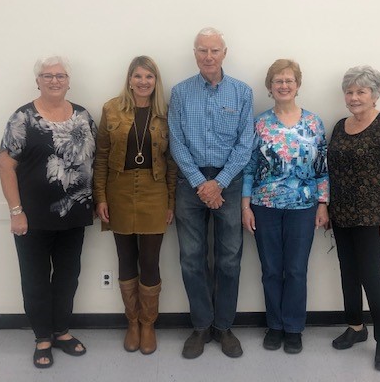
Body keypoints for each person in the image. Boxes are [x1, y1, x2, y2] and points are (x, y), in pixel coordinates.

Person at [0, 56, 97, 369]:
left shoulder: (83, 116)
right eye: (47, 75)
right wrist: (16, 211)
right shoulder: (22, 118)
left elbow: (97, 159)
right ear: (37, 81)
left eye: (60, 75)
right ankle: (42, 337)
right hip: (33, 218)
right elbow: (6, 165)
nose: (54, 80)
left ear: (69, 81)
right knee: (36, 279)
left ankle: (62, 331)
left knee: (68, 277)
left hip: (75, 215)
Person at [168, 27, 255, 359]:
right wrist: (199, 182)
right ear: (194, 53)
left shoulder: (242, 92)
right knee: (192, 259)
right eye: (202, 50)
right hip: (190, 183)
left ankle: (224, 326)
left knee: (230, 258)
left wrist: (219, 183)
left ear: (224, 53)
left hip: (228, 182)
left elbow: (245, 144)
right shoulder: (180, 92)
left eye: (214, 50)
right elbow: (176, 140)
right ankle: (202, 326)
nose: (208, 56)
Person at [241, 59, 329, 354]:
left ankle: (293, 327)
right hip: (264, 205)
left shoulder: (314, 123)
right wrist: (245, 206)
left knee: (295, 270)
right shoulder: (260, 123)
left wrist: (322, 204)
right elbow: (250, 167)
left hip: (303, 207)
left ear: (298, 85)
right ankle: (275, 325)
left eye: (289, 81)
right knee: (270, 270)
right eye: (278, 81)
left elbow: (322, 168)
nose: (283, 86)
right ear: (270, 87)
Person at [328, 65, 380, 371]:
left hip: (373, 216)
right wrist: (326, 207)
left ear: (374, 95)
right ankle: (356, 328)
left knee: (371, 276)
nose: (354, 97)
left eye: (361, 91)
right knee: (348, 273)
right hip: (341, 214)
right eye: (349, 91)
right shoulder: (339, 126)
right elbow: (330, 170)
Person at [94, 56, 176, 355]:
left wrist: (171, 201)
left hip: (155, 190)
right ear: (129, 79)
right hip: (119, 190)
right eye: (138, 76)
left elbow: (172, 162)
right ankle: (132, 322)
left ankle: (148, 323)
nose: (143, 82)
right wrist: (100, 196)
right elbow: (101, 157)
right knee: (125, 258)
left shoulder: (166, 114)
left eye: (149, 77)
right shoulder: (111, 109)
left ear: (156, 82)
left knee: (150, 261)